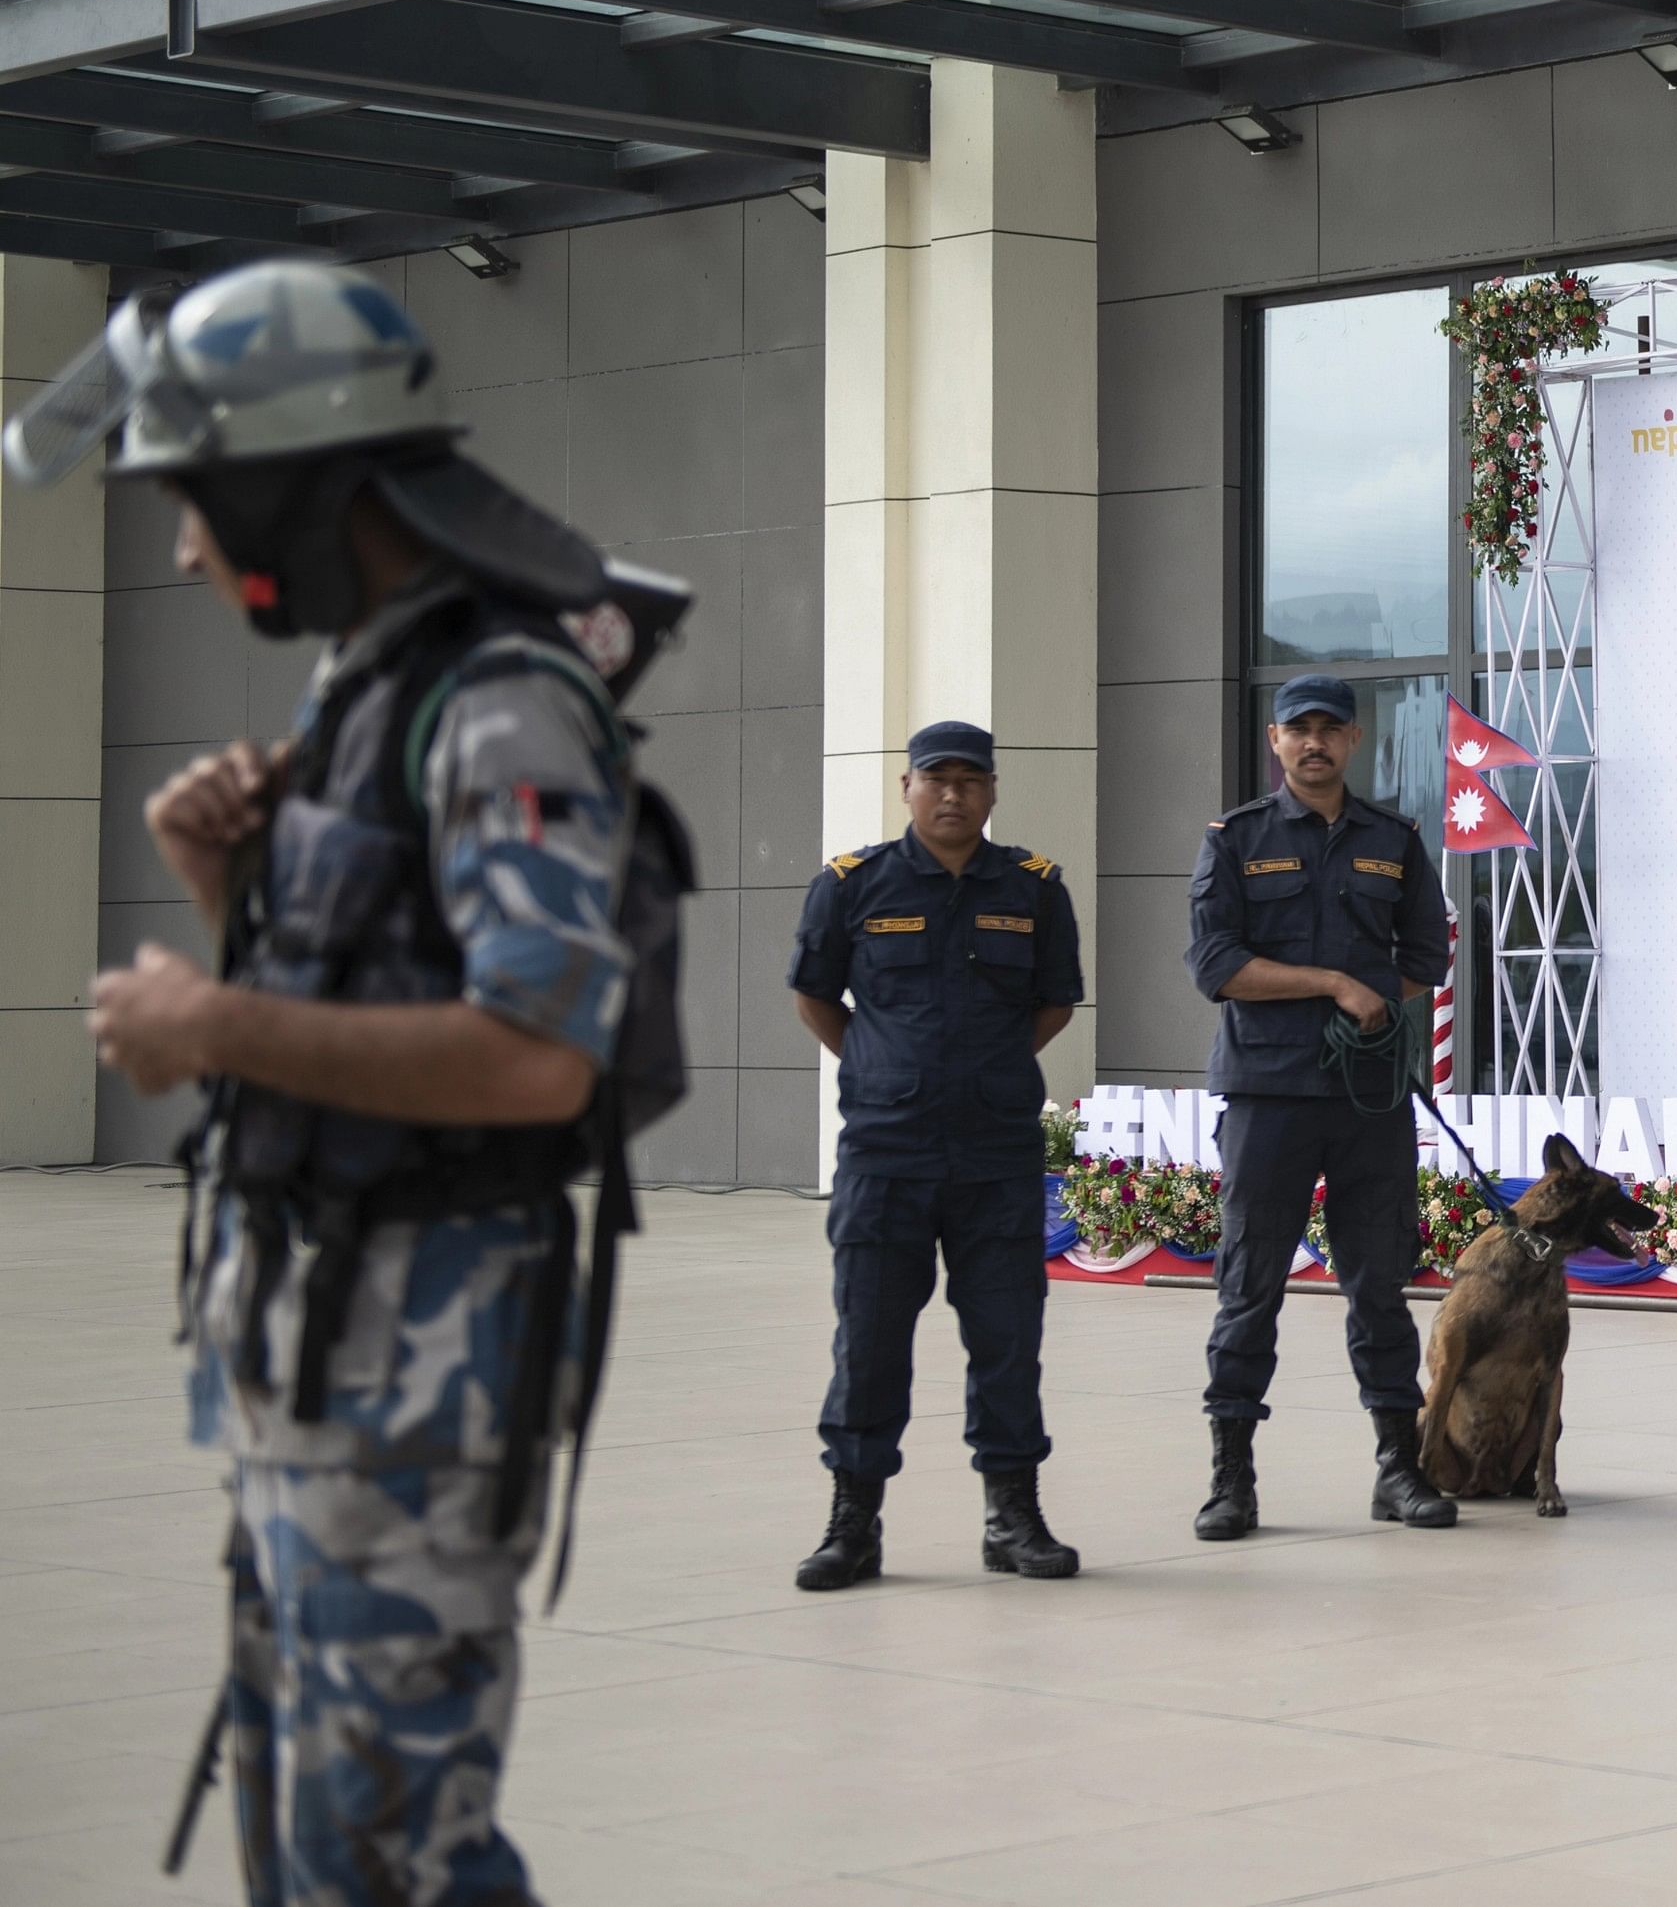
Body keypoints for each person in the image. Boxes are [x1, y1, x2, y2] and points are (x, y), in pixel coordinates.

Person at [7, 261, 681, 1903]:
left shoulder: (503, 698)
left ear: (292, 479)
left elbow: (537, 1054)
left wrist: (208, 1022)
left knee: (390, 1853)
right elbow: (360, 1012)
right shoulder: (371, 682)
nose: (182, 546)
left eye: (194, 500)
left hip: (420, 1395)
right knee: (314, 1837)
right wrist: (220, 899)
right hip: (326, 1375)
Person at [786, 720, 1085, 1588]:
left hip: (994, 1154)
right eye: (935, 779)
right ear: (906, 789)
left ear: (992, 792)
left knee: (1007, 1340)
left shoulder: (1033, 890)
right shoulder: (851, 885)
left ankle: (1013, 1518)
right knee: (871, 1343)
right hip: (887, 1152)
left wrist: (982, 1073)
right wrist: (883, 1065)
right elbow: (813, 994)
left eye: (970, 780)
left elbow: (1054, 1004)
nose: (952, 794)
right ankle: (854, 1524)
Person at [1184, 675, 1459, 1536]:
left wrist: (1372, 1005)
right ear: (1275, 740)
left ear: (1355, 738)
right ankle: (1233, 1480)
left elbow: (1427, 957)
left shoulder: (1396, 840)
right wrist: (1336, 985)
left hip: (1367, 1097)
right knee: (1249, 1287)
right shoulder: (1235, 839)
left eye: (1330, 729)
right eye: (1298, 729)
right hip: (1268, 1096)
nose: (1314, 743)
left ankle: (1397, 1470)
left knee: (1379, 1286)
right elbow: (1215, 967)